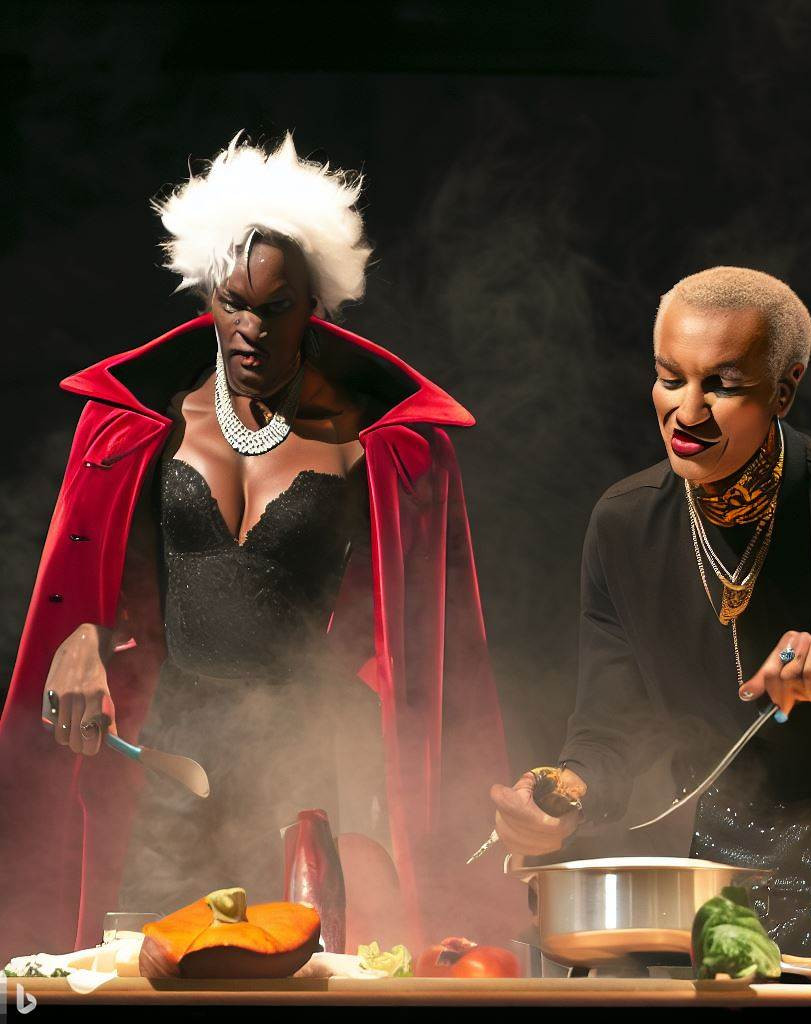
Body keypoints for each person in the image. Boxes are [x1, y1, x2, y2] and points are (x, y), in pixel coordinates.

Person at [0, 133, 515, 961]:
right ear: (208, 294)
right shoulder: (140, 425)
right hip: (165, 753)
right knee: (147, 970)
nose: (249, 330)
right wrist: (83, 635)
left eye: (276, 308)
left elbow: (420, 636)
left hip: (298, 759)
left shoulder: (373, 443)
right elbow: (103, 576)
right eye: (233, 302)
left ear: (314, 305)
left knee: (294, 974)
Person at [490, 266, 811, 957]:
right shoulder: (624, 525)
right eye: (670, 378)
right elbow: (611, 729)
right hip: (712, 884)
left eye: (721, 385)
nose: (687, 412)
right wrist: (562, 795)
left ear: (785, 387)